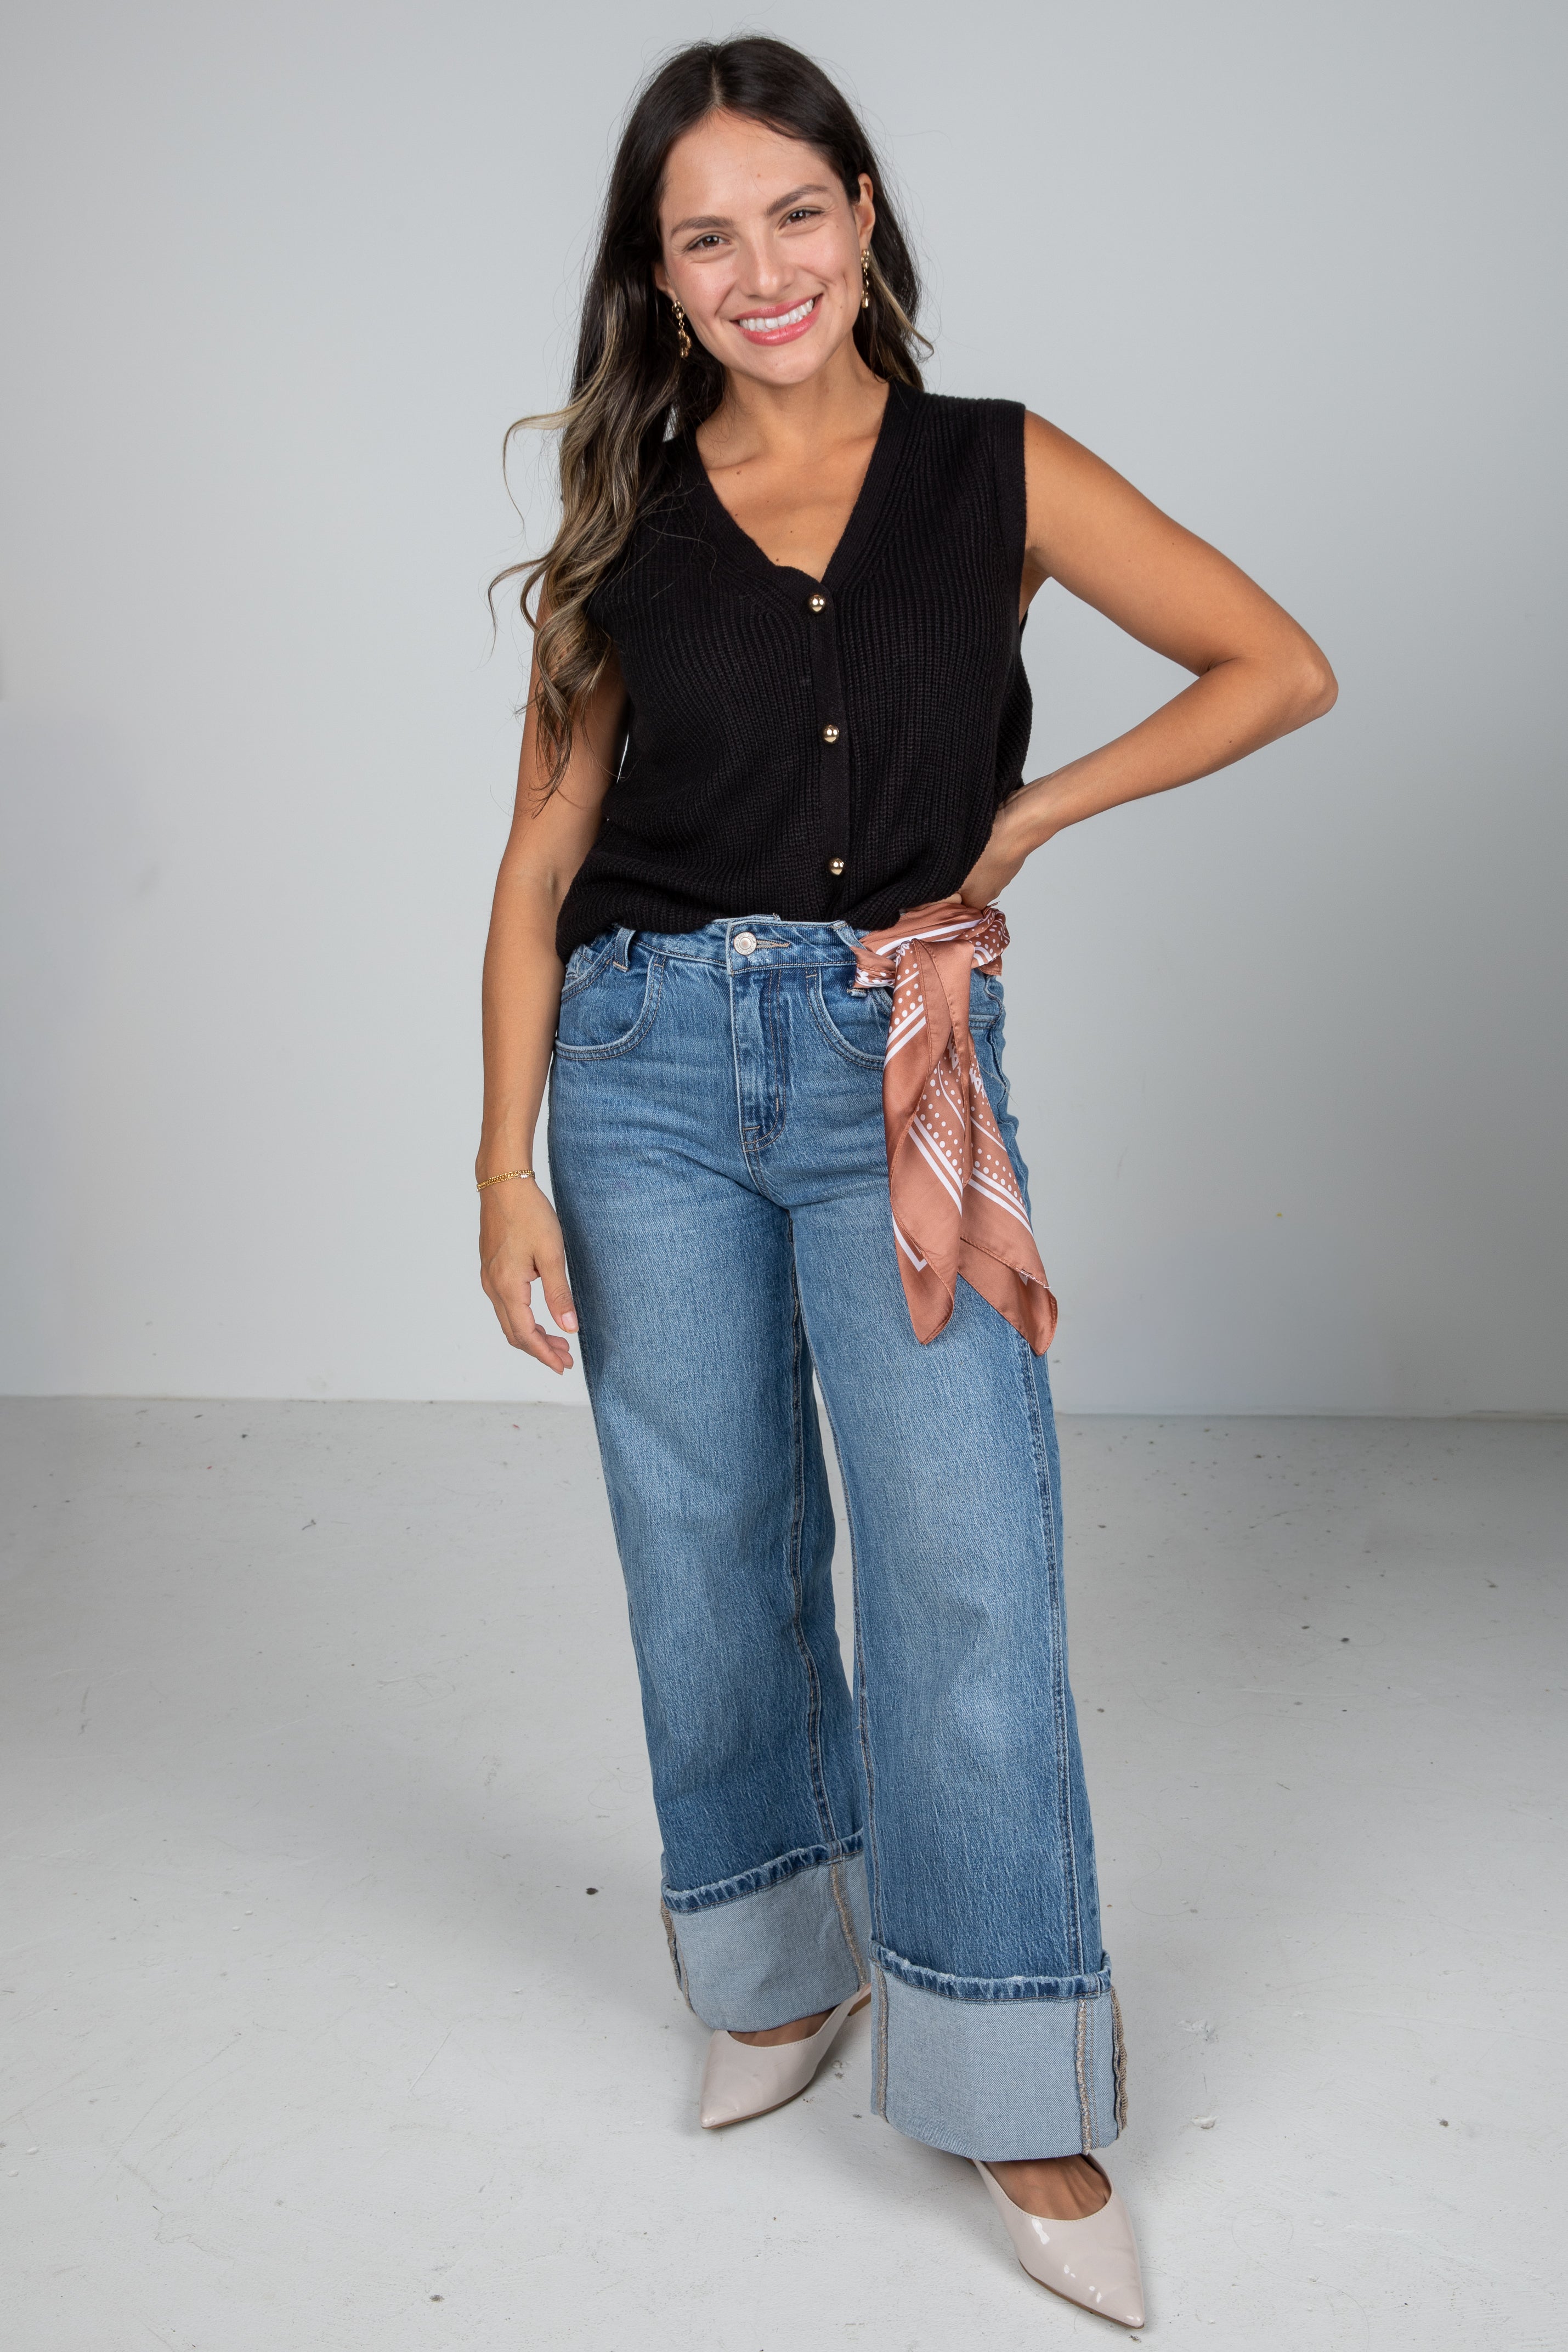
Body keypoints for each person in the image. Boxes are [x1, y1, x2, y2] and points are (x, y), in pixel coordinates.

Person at [477, 36, 1334, 2323]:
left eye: (793, 212)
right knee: (709, 1544)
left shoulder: (992, 470)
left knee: (964, 1565)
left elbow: (1278, 663)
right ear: (655, 283)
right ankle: (775, 1967)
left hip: (892, 1063)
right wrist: (500, 1160)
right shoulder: (627, 518)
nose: (758, 267)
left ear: (860, 217)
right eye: (702, 236)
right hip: (642, 1068)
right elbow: (542, 857)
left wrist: (1033, 818)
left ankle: (1014, 2080)